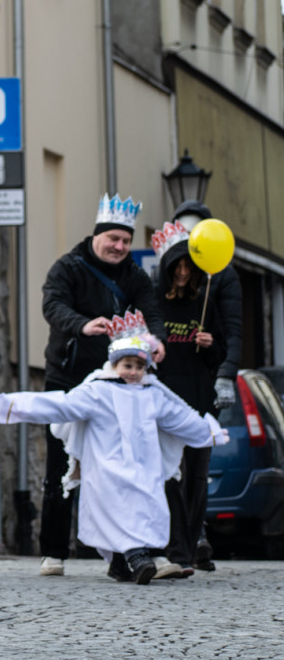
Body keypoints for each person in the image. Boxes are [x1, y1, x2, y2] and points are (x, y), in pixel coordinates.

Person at [0, 315, 229, 584]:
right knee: (116, 509)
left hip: (144, 468)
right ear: (114, 365)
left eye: (139, 366)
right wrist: (15, 406)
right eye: (127, 365)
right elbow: (61, 405)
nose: (133, 372)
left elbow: (179, 417)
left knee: (146, 507)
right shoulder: (97, 392)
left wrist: (208, 432)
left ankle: (120, 564)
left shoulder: (152, 394)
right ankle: (136, 557)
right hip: (108, 468)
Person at [38, 193, 166, 577]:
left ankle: (122, 554)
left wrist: (156, 341)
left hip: (116, 384)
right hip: (68, 376)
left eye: (126, 241)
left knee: (119, 469)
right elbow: (52, 306)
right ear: (97, 236)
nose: (119, 247)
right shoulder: (67, 267)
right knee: (61, 464)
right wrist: (83, 325)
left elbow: (152, 313)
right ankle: (54, 551)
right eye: (113, 238)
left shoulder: (135, 276)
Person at [170, 200, 243, 572]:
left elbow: (233, 330)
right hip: (171, 381)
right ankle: (175, 536)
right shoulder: (168, 269)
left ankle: (196, 532)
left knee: (198, 464)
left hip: (204, 380)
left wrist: (226, 373)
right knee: (172, 464)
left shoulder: (222, 275)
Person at [150, 222, 225, 578]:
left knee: (196, 476)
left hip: (198, 400)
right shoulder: (154, 304)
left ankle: (191, 546)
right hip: (165, 401)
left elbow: (220, 353)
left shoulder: (203, 303)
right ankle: (174, 547)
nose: (182, 273)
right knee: (169, 474)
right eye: (176, 267)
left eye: (187, 267)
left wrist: (210, 346)